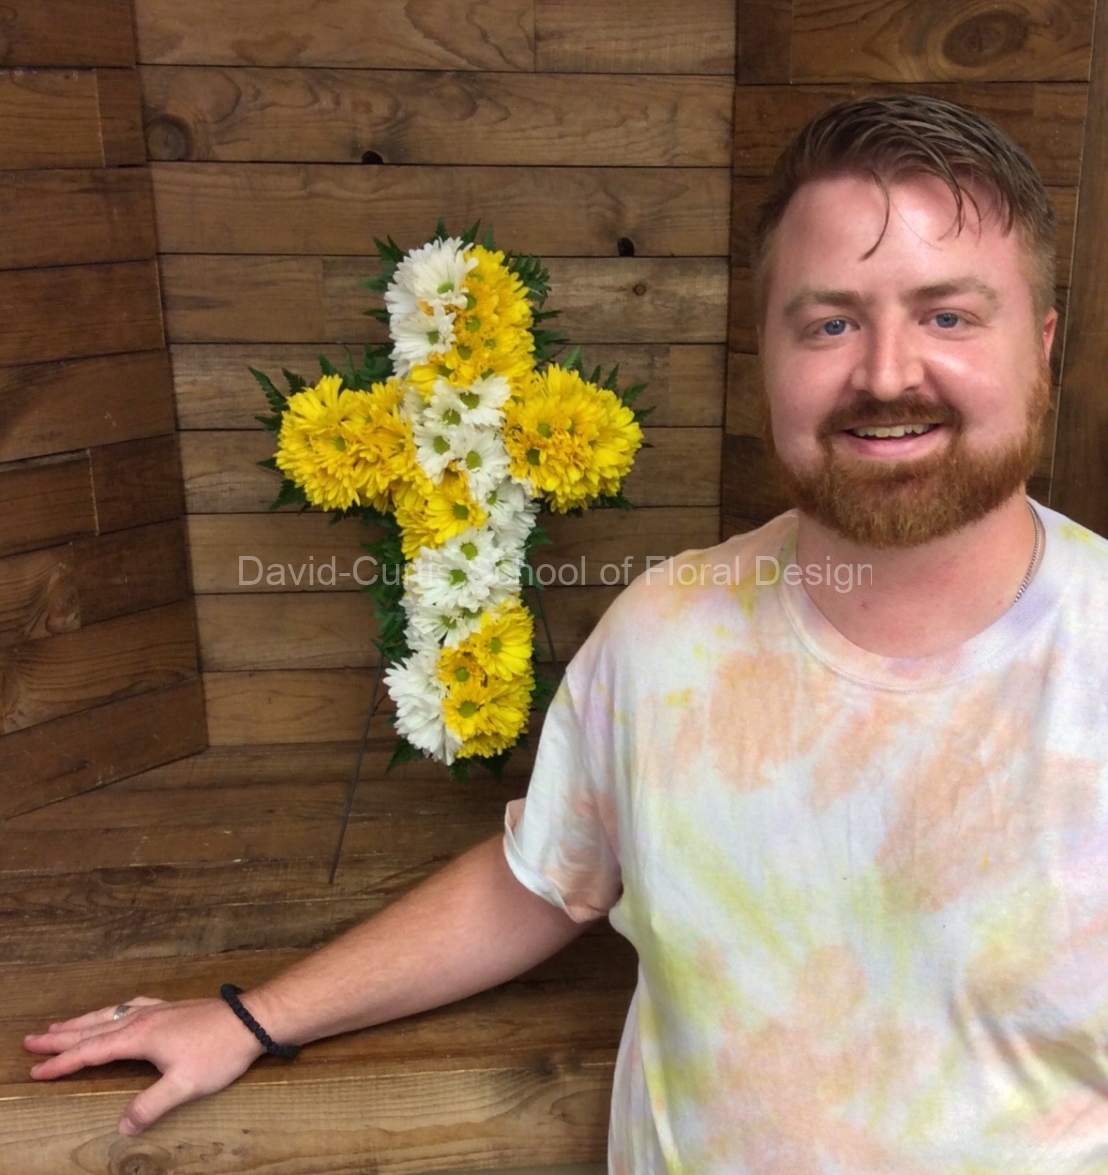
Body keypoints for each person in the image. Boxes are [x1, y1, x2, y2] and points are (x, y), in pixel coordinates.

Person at [26, 95, 1108, 1171]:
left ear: (1043, 348)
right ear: (767, 358)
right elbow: (539, 878)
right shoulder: (666, 637)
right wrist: (252, 1018)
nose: (885, 372)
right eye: (830, 322)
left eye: (948, 316)